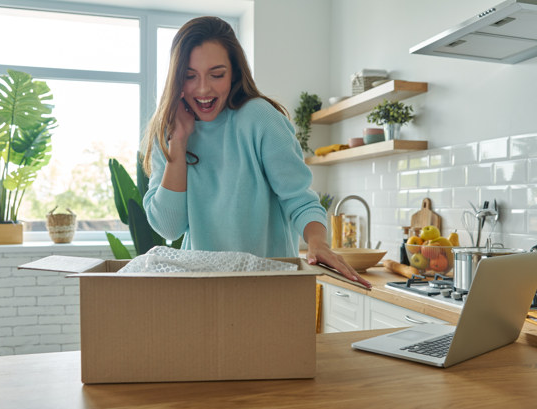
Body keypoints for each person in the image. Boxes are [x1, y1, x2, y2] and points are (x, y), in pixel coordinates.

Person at [141, 16, 371, 289]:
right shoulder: (168, 131)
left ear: (235, 73)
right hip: (200, 288)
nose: (203, 89)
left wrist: (318, 242)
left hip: (267, 285)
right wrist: (178, 142)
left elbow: (300, 200)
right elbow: (169, 227)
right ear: (177, 79)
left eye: (217, 74)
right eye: (190, 76)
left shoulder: (260, 119)